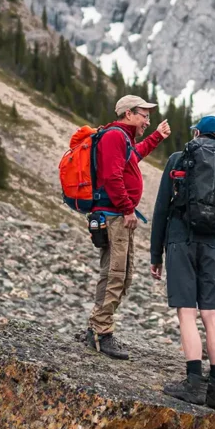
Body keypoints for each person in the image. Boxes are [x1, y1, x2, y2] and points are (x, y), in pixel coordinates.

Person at [150, 115, 215, 410]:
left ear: (198, 133)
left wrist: (156, 255)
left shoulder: (181, 158)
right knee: (211, 315)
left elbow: (161, 208)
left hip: (181, 240)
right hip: (213, 245)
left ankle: (193, 382)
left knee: (187, 313)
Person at [85, 95, 170, 360]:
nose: (147, 120)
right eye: (144, 115)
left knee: (119, 273)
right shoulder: (114, 137)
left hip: (116, 215)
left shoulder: (123, 138)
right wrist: (127, 208)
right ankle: (101, 333)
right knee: (116, 273)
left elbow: (134, 158)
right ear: (129, 114)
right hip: (114, 215)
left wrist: (156, 136)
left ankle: (97, 327)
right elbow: (112, 176)